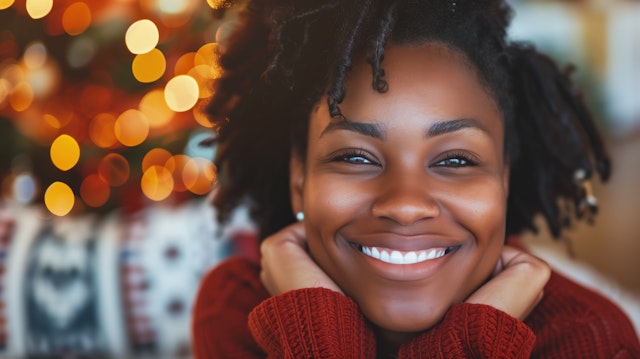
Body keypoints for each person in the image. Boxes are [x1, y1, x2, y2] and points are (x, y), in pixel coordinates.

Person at [192, 0, 640, 357]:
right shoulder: (237, 310)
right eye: (354, 156)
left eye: (456, 161)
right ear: (298, 178)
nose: (406, 204)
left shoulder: (588, 340)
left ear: (504, 180)